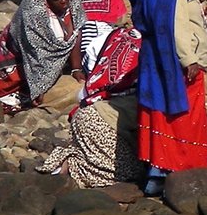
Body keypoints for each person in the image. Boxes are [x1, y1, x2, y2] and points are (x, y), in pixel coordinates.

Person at [129, 0, 207, 195]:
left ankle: (156, 171)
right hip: (174, 65)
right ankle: (179, 173)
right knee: (180, 118)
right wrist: (190, 60)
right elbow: (176, 28)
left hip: (153, 62)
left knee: (158, 114)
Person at [41, 26, 145, 190]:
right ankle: (75, 166)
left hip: (88, 111)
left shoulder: (113, 39)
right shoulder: (153, 47)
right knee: (132, 173)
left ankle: (69, 162)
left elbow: (89, 87)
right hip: (98, 120)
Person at [0, 0, 88, 111]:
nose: (64, 1)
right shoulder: (33, 13)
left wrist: (76, 68)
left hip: (52, 53)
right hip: (24, 59)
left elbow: (76, 32)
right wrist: (40, 88)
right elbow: (35, 55)